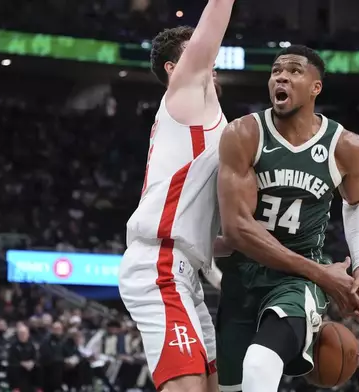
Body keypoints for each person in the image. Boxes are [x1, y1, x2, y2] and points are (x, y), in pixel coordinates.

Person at [216, 44, 359, 392]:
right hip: (242, 274)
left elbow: (356, 203)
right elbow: (236, 229)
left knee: (260, 361)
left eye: (293, 71)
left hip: (297, 281)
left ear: (315, 87)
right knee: (231, 386)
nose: (281, 77)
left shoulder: (347, 146)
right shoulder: (244, 134)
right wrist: (325, 274)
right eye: (276, 71)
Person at [117, 1, 235, 391]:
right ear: (173, 68)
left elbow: (205, 232)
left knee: (222, 386)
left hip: (186, 273)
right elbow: (211, 27)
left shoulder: (212, 121)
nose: (208, 55)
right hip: (160, 265)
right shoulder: (184, 98)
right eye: (196, 49)